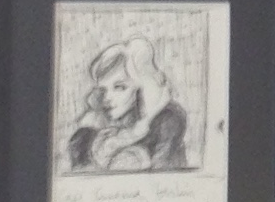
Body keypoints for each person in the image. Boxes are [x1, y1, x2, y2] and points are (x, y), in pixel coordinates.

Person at [65, 36, 190, 173]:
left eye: (119, 87)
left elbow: (165, 173)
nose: (107, 98)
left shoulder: (166, 121)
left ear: (141, 86)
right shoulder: (87, 133)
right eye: (103, 89)